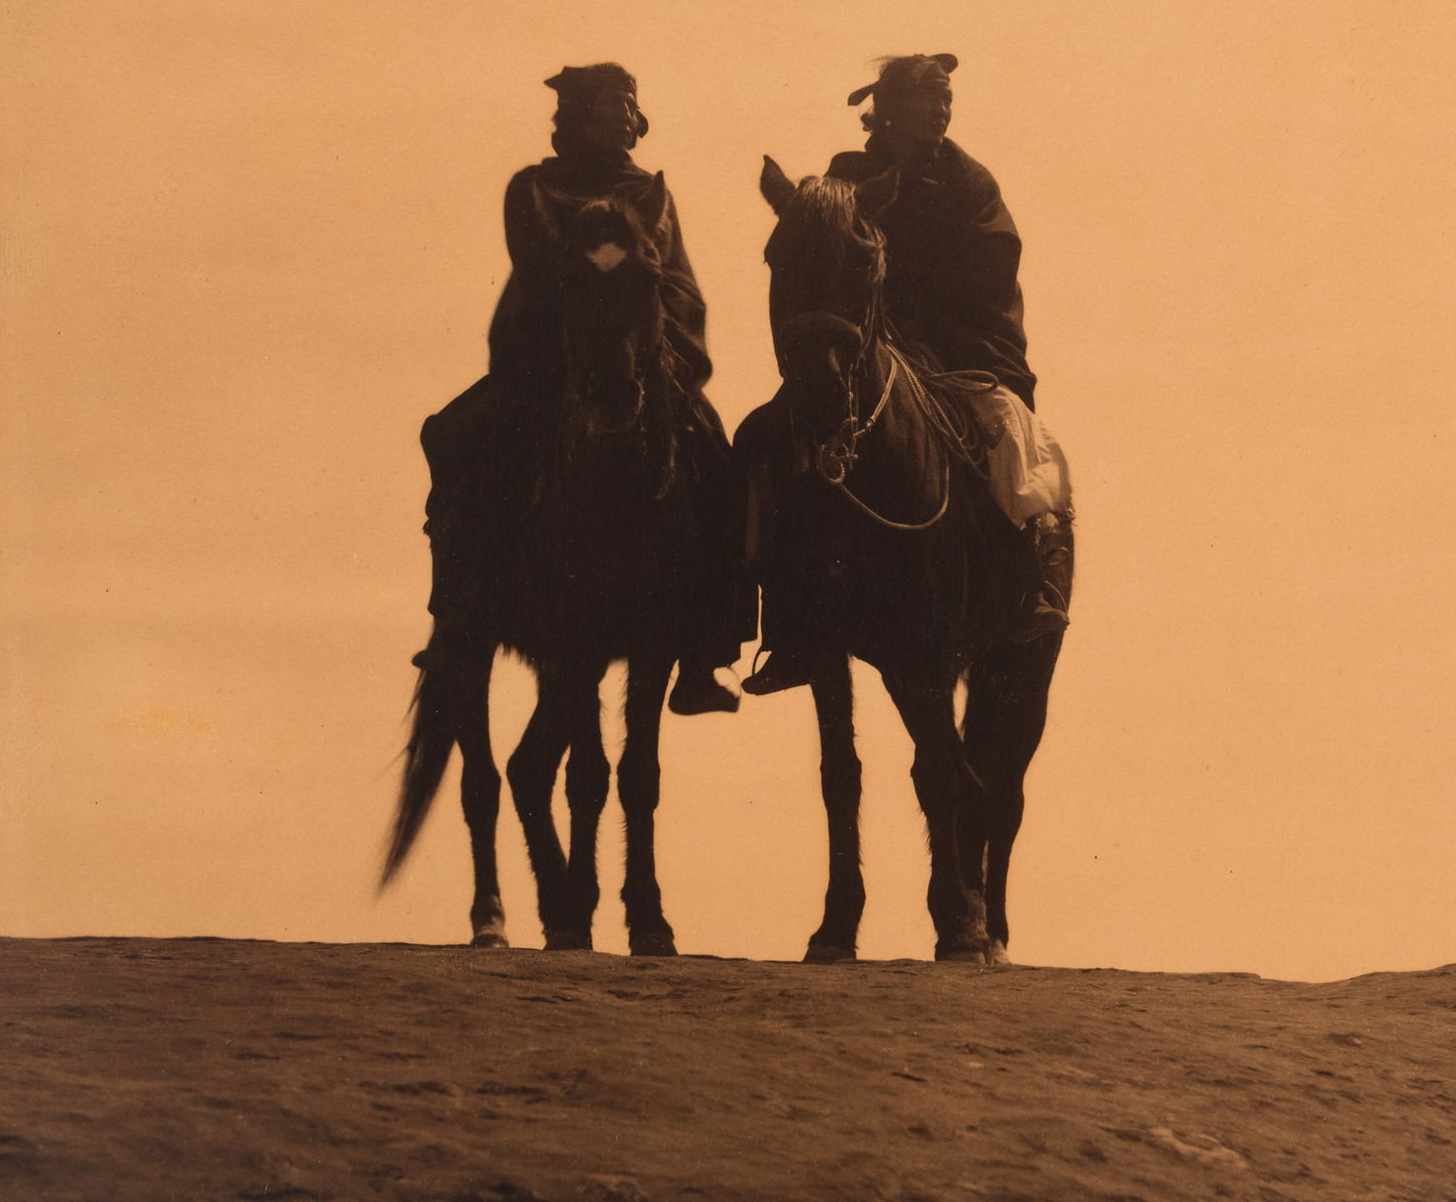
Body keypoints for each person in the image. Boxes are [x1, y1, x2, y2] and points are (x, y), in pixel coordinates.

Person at [417, 64, 747, 713]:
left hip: (644, 356)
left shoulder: (651, 193)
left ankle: (709, 650)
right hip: (547, 362)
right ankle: (457, 609)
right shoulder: (533, 188)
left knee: (718, 458)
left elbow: (678, 281)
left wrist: (662, 343)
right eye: (608, 107)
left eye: (630, 107)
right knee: (456, 437)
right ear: (574, 119)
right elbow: (538, 274)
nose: (624, 118)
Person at [743, 52, 1073, 696]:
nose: (943, 109)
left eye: (946, 98)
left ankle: (1033, 585)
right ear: (887, 112)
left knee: (1016, 442)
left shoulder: (969, 183)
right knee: (764, 437)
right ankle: (785, 623)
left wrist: (921, 329)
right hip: (861, 352)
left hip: (964, 355)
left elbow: (991, 273)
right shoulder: (846, 176)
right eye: (929, 99)